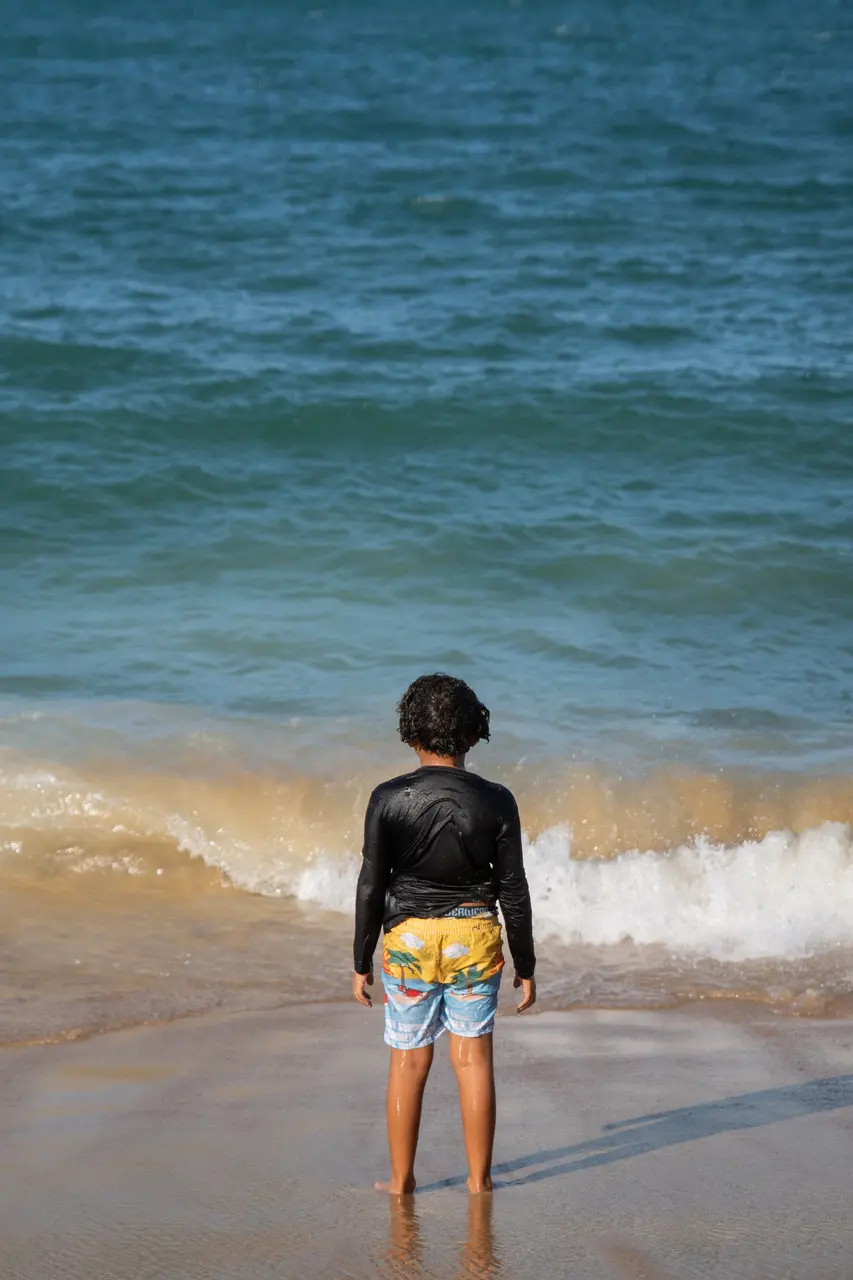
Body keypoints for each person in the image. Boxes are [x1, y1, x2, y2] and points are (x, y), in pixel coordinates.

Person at [352, 672, 536, 1196]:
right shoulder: (498, 801)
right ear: (473, 734)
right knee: (473, 1058)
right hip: (472, 937)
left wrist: (361, 959)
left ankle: (401, 1180)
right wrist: (526, 966)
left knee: (409, 1059)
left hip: (408, 940)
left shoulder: (388, 798)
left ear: (411, 732)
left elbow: (371, 884)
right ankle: (480, 1183)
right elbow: (513, 891)